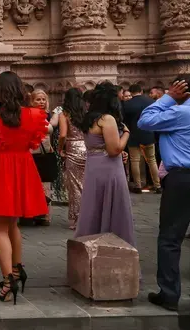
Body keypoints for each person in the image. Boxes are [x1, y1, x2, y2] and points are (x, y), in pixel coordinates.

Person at [0, 71, 49, 304]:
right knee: (13, 224)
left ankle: (8, 282)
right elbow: (33, 142)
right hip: (23, 166)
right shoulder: (35, 115)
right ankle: (17, 271)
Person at [138, 76, 190, 312]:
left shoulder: (181, 114)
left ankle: (169, 294)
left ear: (182, 90)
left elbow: (144, 121)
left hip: (183, 178)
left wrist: (168, 97)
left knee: (170, 238)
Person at [75, 82, 135, 247]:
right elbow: (114, 149)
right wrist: (127, 134)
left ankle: (89, 247)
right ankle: (115, 248)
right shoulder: (107, 119)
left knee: (93, 206)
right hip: (109, 167)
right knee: (115, 207)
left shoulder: (89, 118)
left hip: (94, 166)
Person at [57, 88, 87, 230]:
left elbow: (62, 134)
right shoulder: (86, 113)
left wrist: (60, 148)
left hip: (72, 148)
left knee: (75, 186)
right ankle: (89, 217)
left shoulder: (65, 114)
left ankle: (77, 218)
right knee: (87, 184)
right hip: (87, 148)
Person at [123, 84, 160, 193]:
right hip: (148, 134)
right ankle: (157, 185)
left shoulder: (127, 104)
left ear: (131, 92)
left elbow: (125, 120)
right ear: (141, 91)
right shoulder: (150, 102)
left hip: (133, 135)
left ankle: (138, 185)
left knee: (135, 160)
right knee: (152, 160)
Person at [30, 89, 54, 226]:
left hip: (46, 152)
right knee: (34, 184)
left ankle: (44, 215)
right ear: (32, 101)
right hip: (32, 152)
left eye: (43, 99)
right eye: (38, 99)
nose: (41, 102)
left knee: (46, 184)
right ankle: (33, 213)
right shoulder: (29, 115)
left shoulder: (48, 115)